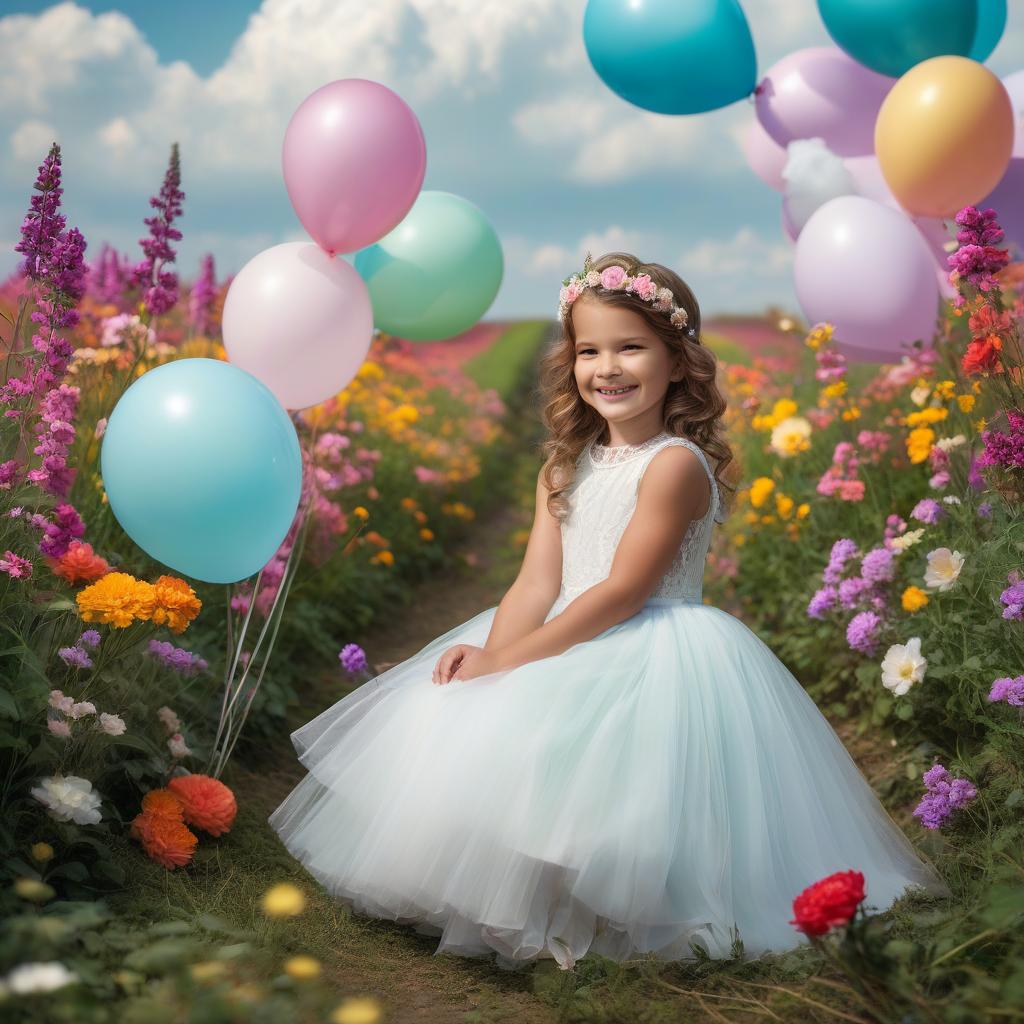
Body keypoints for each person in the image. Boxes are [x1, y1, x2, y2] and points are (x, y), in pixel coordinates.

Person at [268, 251, 949, 972]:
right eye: (590, 350)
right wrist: (493, 662)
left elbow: (624, 589)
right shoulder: (564, 464)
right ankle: (526, 893)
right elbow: (535, 583)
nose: (609, 367)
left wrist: (517, 658)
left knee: (621, 783)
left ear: (677, 360)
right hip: (566, 624)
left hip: (651, 639)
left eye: (631, 347)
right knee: (498, 735)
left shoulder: (674, 465)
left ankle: (625, 909)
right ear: (571, 364)